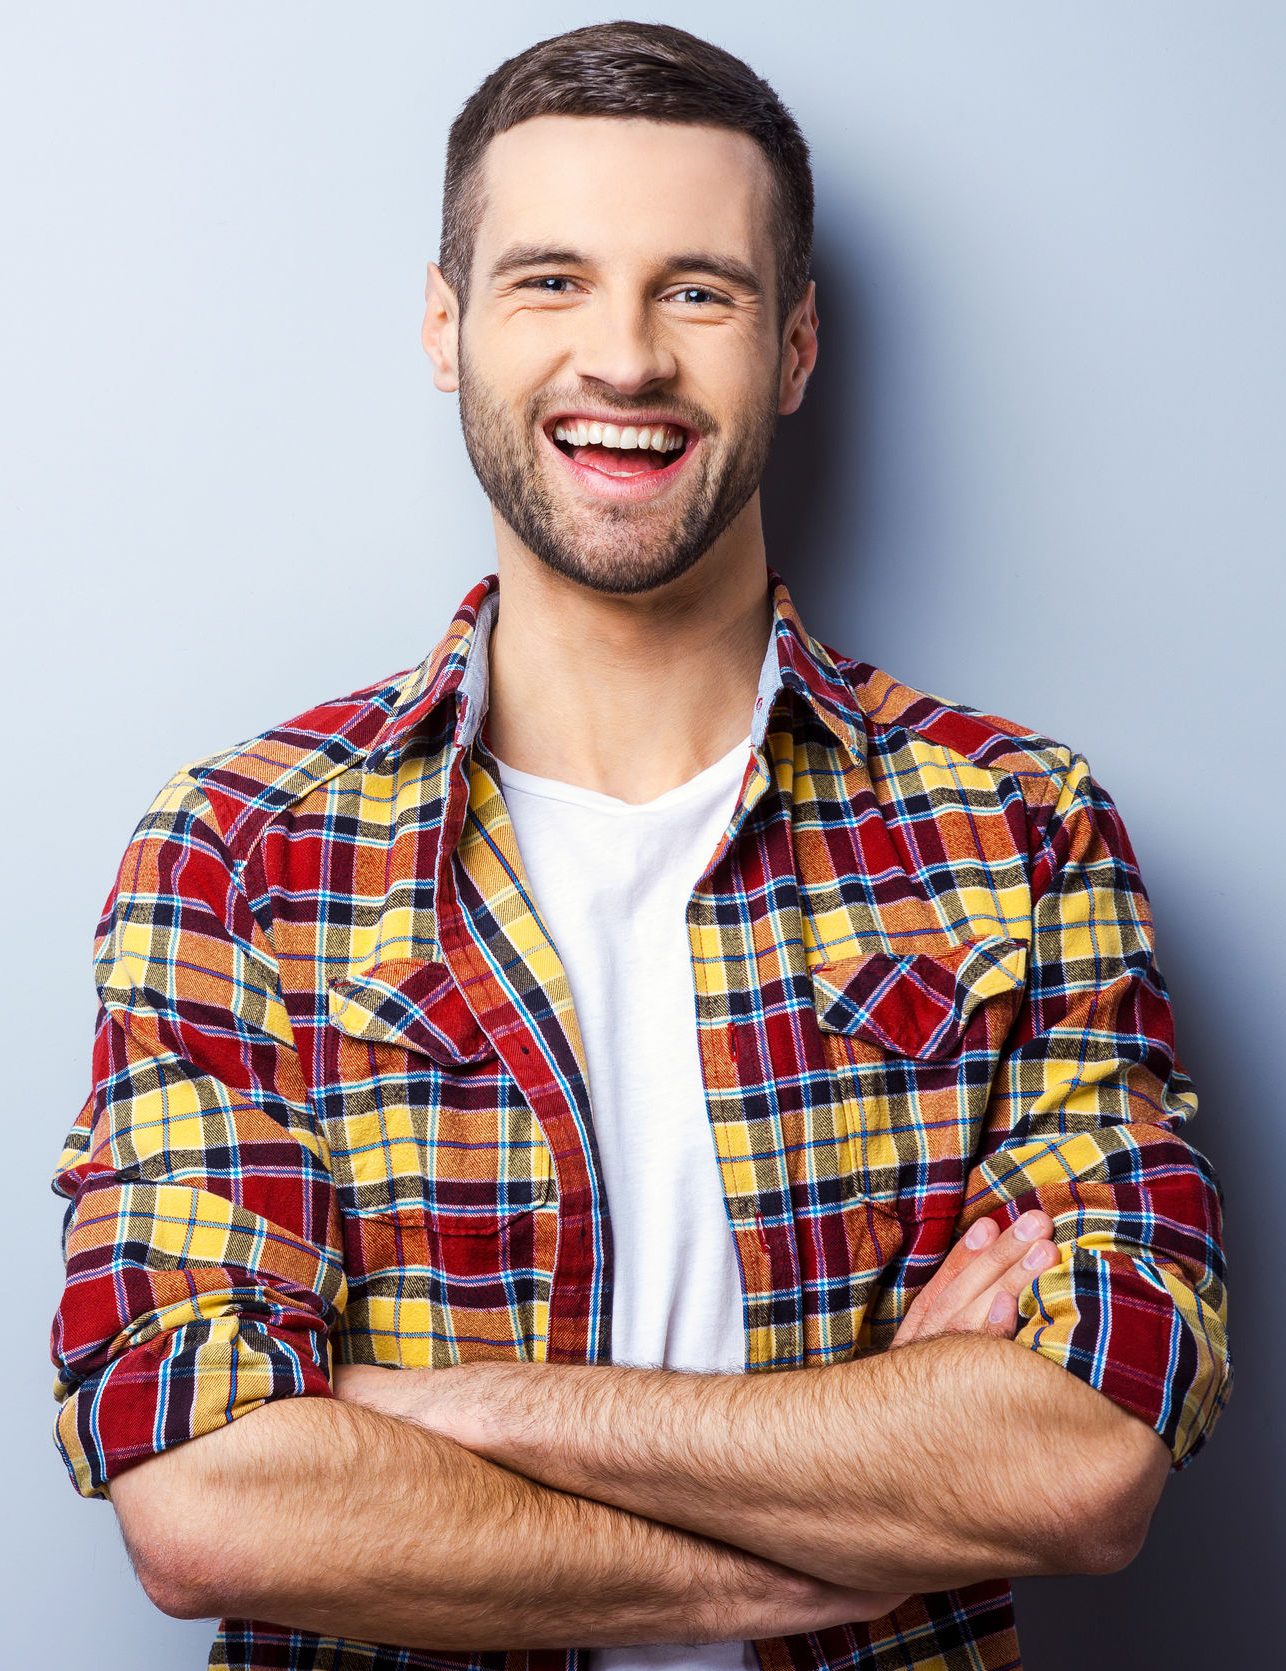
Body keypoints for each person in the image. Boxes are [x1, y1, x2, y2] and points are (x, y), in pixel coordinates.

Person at [48, 19, 1232, 1671]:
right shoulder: (241, 853)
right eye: (548, 282)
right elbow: (205, 1499)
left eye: (698, 290)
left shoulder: (1013, 826)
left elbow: (1083, 1461)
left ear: (795, 345)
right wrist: (840, 1512)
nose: (624, 358)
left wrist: (433, 1410)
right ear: (445, 330)